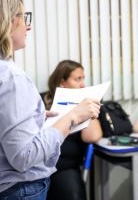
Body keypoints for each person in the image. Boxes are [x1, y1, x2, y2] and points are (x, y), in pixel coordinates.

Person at [0, 0, 100, 199]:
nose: (28, 25)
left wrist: (33, 116)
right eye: (23, 17)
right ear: (7, 22)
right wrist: (72, 118)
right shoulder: (9, 77)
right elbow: (24, 157)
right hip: (12, 192)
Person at [44, 60, 103, 200]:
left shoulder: (84, 105)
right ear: (62, 82)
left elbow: (93, 137)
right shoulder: (43, 100)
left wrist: (89, 108)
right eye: (77, 79)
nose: (83, 84)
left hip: (65, 167)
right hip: (39, 164)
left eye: (83, 78)